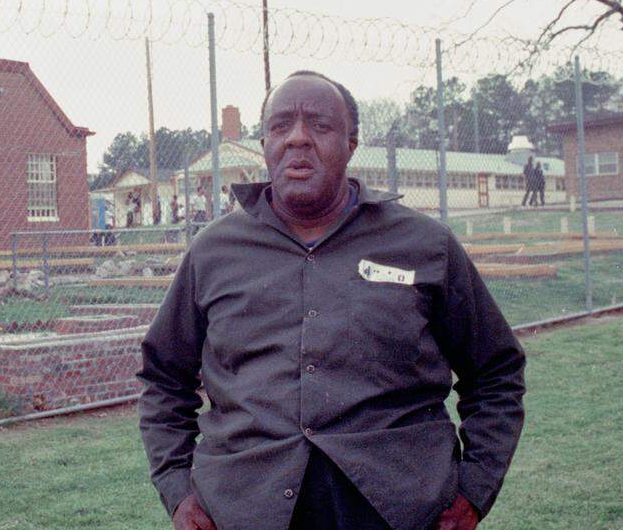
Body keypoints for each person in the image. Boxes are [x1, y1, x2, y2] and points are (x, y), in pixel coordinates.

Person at [139, 71, 526, 530]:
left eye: (319, 125)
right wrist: (178, 490)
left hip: (399, 510)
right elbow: (163, 378)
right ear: (264, 143)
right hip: (246, 510)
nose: (298, 138)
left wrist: (473, 491)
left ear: (351, 143)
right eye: (281, 126)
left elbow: (495, 373)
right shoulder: (213, 252)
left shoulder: (425, 245)